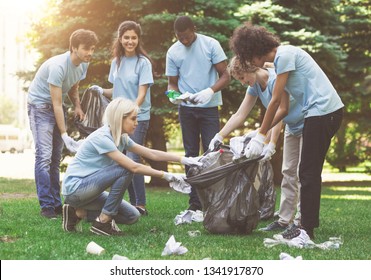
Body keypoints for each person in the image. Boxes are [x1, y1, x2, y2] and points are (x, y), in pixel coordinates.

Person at [230, 24, 344, 239]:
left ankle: (305, 230)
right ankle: (303, 226)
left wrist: (262, 136)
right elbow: (282, 108)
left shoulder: (285, 55)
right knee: (306, 172)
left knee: (308, 172)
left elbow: (274, 100)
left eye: (249, 58)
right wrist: (259, 134)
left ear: (254, 51)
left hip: (323, 112)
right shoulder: (281, 59)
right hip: (318, 113)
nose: (253, 64)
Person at [61, 97, 201, 236]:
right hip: (76, 190)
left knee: (132, 216)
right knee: (125, 169)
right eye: (133, 119)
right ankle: (103, 222)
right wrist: (167, 176)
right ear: (119, 119)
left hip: (91, 191)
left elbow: (151, 153)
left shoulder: (121, 137)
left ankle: (77, 213)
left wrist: (185, 160)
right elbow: (133, 167)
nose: (136, 123)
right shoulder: (102, 138)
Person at [27, 29, 98, 219]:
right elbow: (56, 104)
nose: (90, 53)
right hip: (40, 106)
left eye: (92, 49)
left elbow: (74, 86)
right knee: (44, 156)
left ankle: (56, 203)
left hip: (54, 106)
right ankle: (47, 206)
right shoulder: (58, 66)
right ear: (74, 48)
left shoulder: (83, 64)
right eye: (86, 49)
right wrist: (65, 134)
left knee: (56, 158)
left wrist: (78, 106)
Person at [165, 15, 230, 211]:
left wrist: (209, 91)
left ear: (193, 29)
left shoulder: (210, 44)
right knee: (191, 154)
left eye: (186, 36)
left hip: (209, 108)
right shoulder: (173, 51)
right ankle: (195, 204)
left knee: (211, 154)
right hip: (186, 109)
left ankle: (214, 201)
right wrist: (174, 96)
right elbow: (172, 83)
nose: (183, 40)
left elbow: (226, 75)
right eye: (179, 37)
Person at [91, 21, 153, 216]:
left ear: (138, 39)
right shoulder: (116, 62)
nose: (130, 41)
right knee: (121, 161)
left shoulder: (143, 63)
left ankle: (140, 204)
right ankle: (132, 203)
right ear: (120, 38)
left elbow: (141, 93)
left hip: (137, 118)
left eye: (134, 37)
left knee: (133, 157)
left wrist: (131, 112)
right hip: (118, 120)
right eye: (126, 37)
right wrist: (101, 90)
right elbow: (116, 90)